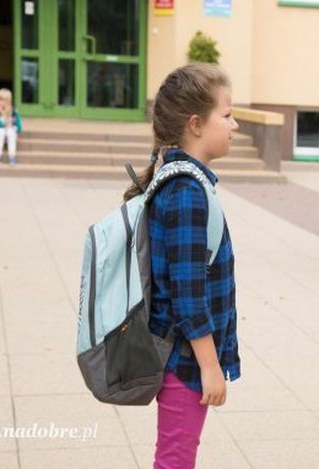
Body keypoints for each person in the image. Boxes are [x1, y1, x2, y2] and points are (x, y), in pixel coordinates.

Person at [123, 63, 241, 468]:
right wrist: (211, 366)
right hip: (185, 360)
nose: (235, 124)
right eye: (226, 115)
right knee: (174, 461)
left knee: (176, 456)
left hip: (181, 354)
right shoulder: (187, 191)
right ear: (195, 123)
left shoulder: (179, 177)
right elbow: (188, 294)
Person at [0, 88, 23, 166]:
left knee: (10, 131)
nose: (2, 103)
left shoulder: (14, 111)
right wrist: (3, 116)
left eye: (5, 100)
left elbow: (19, 127)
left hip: (10, 135)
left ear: (9, 102)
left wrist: (14, 129)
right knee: (1, 131)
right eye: (0, 100)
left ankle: (12, 156)